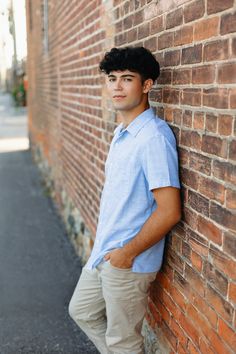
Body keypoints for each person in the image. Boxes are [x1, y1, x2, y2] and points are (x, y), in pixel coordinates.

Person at [69, 46, 181, 354]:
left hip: (128, 261)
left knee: (123, 343)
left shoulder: (153, 138)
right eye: (112, 78)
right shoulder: (122, 133)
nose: (117, 86)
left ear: (146, 85)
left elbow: (169, 211)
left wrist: (126, 254)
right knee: (82, 311)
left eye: (127, 78)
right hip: (106, 252)